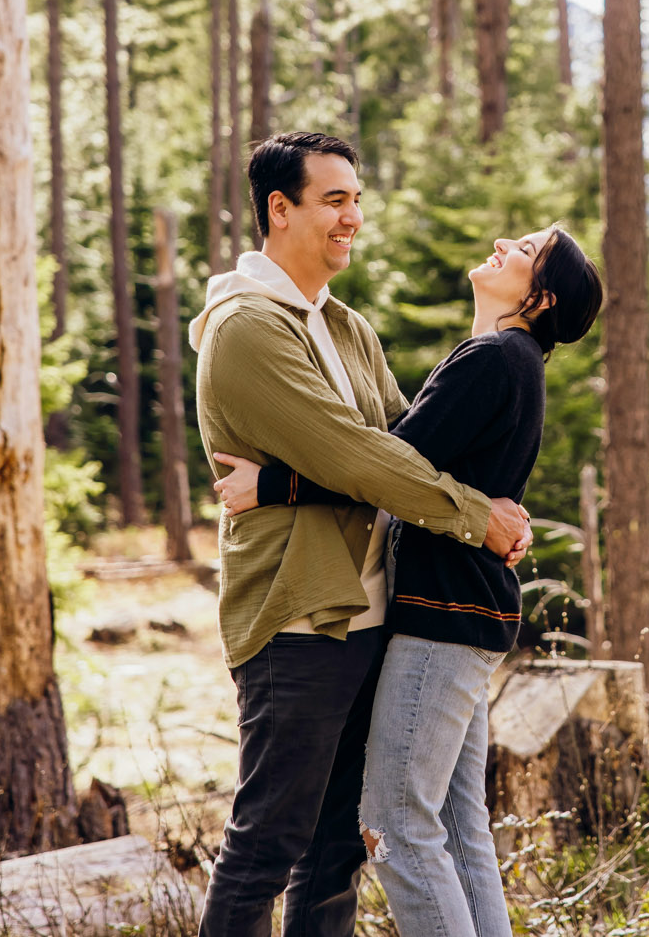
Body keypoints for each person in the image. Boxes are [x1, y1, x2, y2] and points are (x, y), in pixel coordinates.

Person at [188, 132, 535, 937]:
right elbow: (355, 456)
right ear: (280, 209)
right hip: (299, 618)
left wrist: (280, 482)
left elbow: (402, 450)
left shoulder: (344, 328)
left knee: (336, 852)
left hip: (371, 614)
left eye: (357, 199)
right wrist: (477, 515)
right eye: (334, 200)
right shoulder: (248, 328)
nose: (354, 217)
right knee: (266, 846)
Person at [214, 223, 604, 937]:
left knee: (395, 824)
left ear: (540, 296)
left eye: (522, 250)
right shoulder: (511, 359)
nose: (500, 245)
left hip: (440, 616)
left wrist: (276, 483)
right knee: (459, 826)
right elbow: (413, 464)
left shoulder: (492, 358)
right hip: (470, 616)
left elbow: (386, 467)